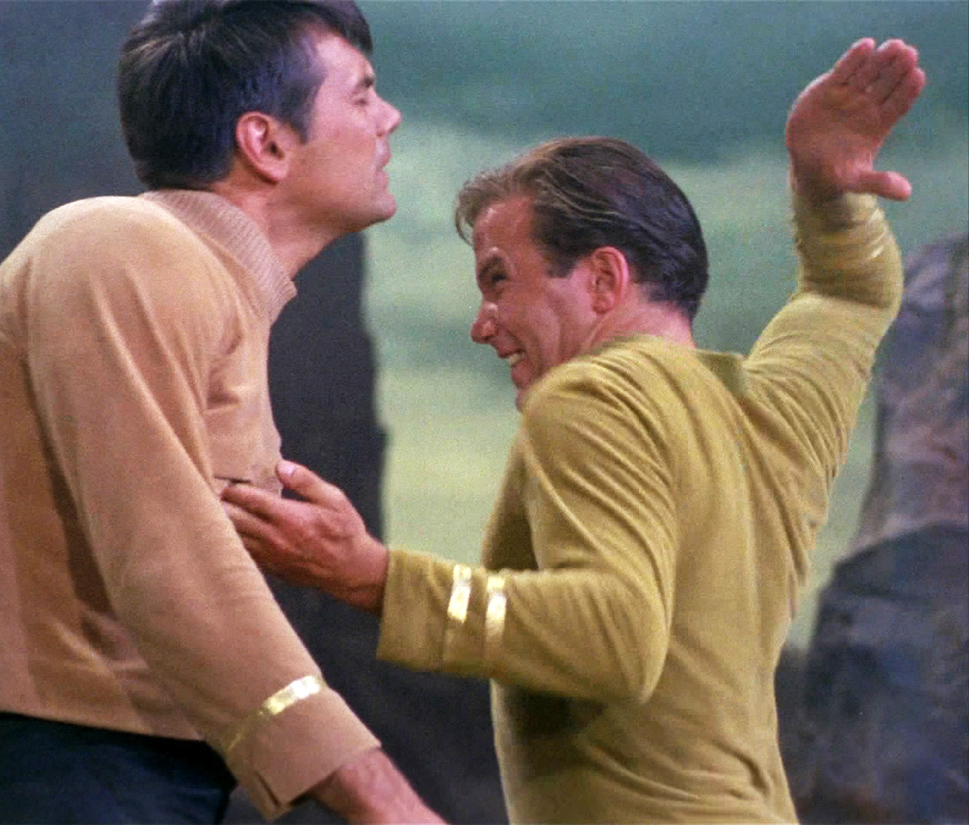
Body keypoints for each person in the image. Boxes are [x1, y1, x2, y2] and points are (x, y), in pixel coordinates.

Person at [223, 37, 926, 823]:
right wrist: (825, 193)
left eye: (499, 280)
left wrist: (375, 578)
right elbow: (850, 295)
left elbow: (614, 636)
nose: (483, 324)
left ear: (602, 279)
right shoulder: (769, 417)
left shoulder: (591, 393)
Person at [0, 1, 442, 823]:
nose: (388, 116)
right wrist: (384, 801)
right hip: (73, 763)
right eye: (362, 94)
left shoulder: (202, 284)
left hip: (135, 767)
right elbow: (167, 551)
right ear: (265, 142)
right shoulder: (119, 242)